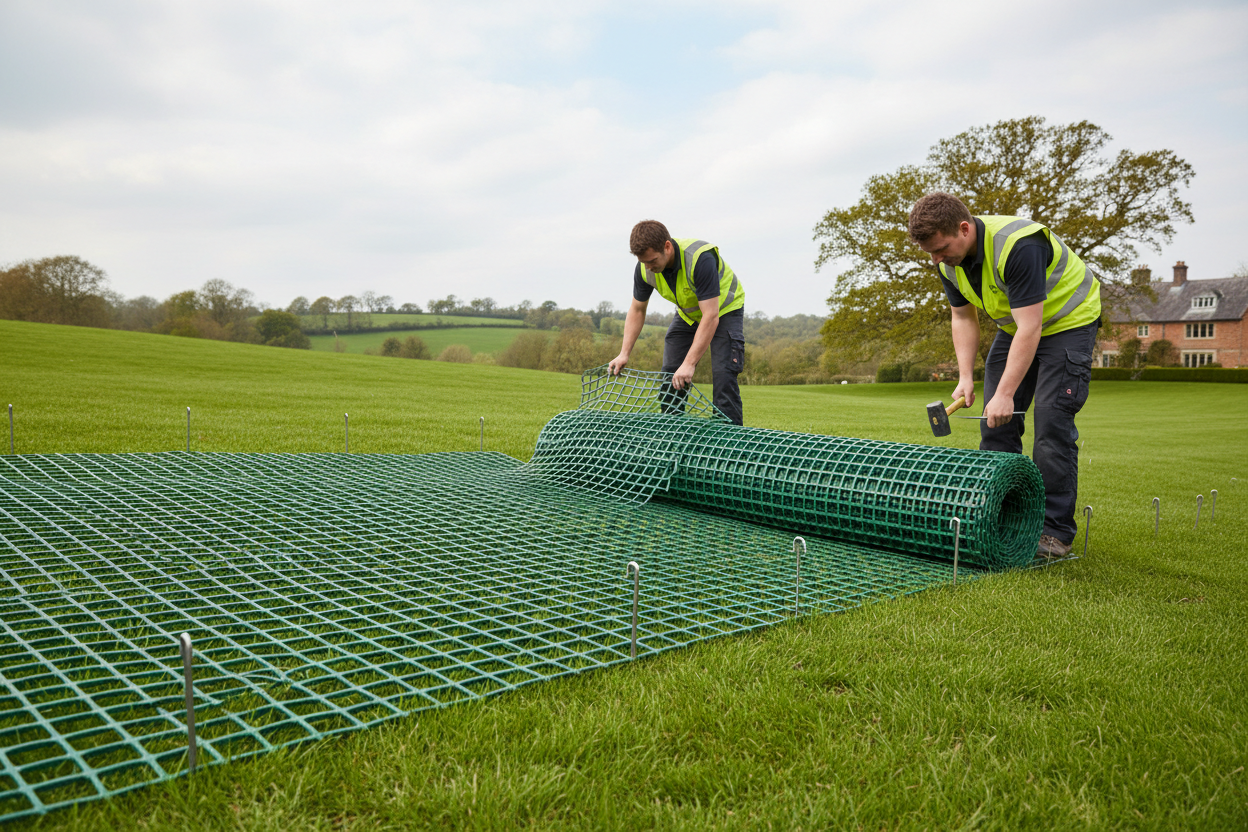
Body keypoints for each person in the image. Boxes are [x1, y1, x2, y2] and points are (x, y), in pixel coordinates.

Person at [908, 192, 1101, 558]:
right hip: (1017, 329)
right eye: (930, 252)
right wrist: (966, 377)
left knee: (1051, 425)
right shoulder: (948, 263)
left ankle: (1054, 533)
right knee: (994, 425)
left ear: (964, 229)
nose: (936, 259)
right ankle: (1003, 514)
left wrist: (1005, 392)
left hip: (1068, 323)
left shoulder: (1019, 246)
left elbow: (1032, 326)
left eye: (941, 248)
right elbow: (962, 317)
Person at [608, 220, 746, 425]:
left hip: (723, 311)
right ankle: (673, 437)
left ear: (667, 247)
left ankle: (729, 444)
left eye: (652, 260)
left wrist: (689, 364)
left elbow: (710, 316)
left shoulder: (701, 259)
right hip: (688, 315)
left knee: (723, 376)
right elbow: (637, 309)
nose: (648, 267)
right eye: (644, 262)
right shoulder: (645, 268)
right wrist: (624, 353)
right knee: (671, 374)